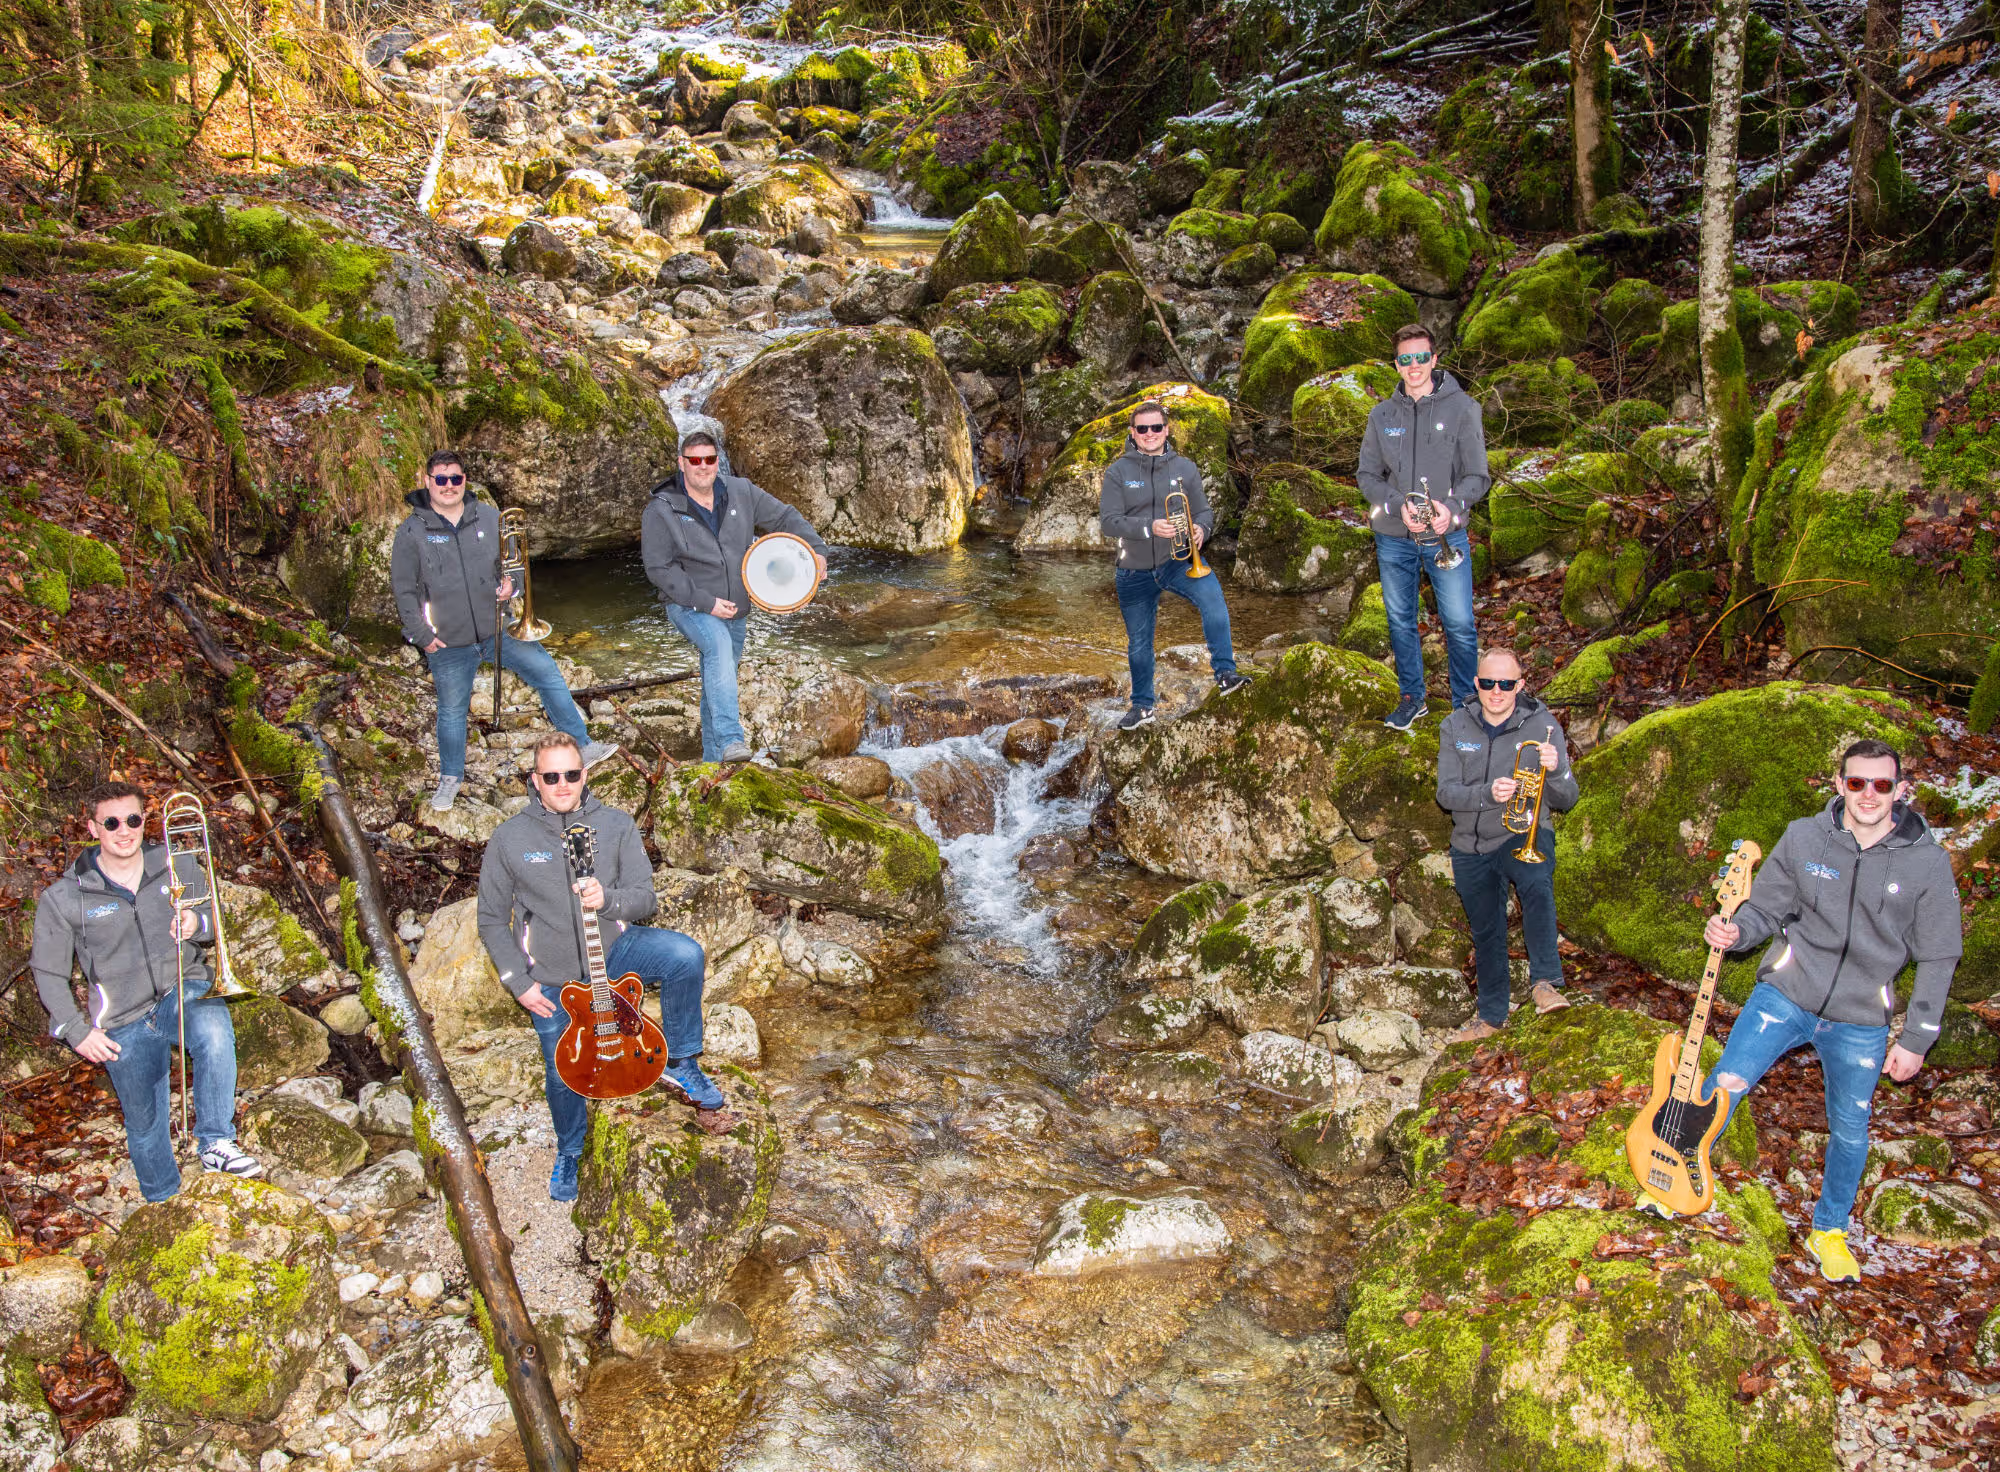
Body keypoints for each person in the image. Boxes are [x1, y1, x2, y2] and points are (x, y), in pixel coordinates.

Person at [1651, 739, 1963, 1283]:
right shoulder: (1803, 836)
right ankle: (1673, 1179)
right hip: (1786, 995)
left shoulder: (1927, 864)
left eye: (1882, 785)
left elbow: (1940, 954)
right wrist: (1736, 931)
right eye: (1857, 782)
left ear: (1900, 790)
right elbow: (1766, 908)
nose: (1869, 794)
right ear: (1839, 784)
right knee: (1724, 1085)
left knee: (1849, 1128)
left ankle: (1830, 1229)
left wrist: (1916, 1038)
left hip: (1862, 1018)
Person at [477, 732, 734, 1202]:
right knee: (562, 1071)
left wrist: (607, 899)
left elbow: (644, 898)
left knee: (684, 955)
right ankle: (572, 1149)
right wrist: (518, 981)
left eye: (570, 774)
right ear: (534, 779)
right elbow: (492, 918)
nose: (561, 784)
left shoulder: (615, 825)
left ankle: (681, 1058)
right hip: (551, 976)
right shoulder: (510, 838)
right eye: (550, 776)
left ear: (585, 774)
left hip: (612, 951)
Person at [29, 782, 262, 1201]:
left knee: (212, 1026)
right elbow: (47, 970)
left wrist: (197, 925)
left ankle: (215, 1142)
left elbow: (212, 920)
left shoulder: (176, 864)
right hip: (119, 1021)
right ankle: (163, 1203)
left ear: (144, 821)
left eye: (133, 820)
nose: (124, 830)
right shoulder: (65, 897)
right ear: (93, 827)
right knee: (144, 1121)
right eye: (112, 822)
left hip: (180, 987)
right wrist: (75, 1030)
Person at [391, 451, 616, 813]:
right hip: (447, 640)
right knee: (451, 709)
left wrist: (512, 587)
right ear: (427, 481)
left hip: (499, 628)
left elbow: (515, 566)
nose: (449, 486)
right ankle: (450, 777)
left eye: (456, 478)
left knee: (548, 674)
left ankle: (582, 743)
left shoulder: (489, 517)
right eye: (441, 479)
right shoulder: (412, 531)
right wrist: (421, 634)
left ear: (465, 480)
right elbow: (402, 589)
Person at [640, 432, 829, 763]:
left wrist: (816, 550)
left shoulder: (741, 491)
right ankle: (731, 739)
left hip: (738, 608)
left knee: (719, 674)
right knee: (718, 648)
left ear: (717, 461)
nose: (703, 466)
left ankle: (713, 764)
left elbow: (785, 516)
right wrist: (706, 602)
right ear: (682, 464)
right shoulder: (661, 509)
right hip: (689, 605)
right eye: (695, 460)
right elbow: (659, 568)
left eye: (709, 459)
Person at [1434, 648, 1579, 1043]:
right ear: (1476, 683)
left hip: (1523, 831)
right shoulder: (1454, 726)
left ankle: (1546, 983)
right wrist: (1486, 795)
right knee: (1486, 930)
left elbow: (1567, 799)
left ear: (1521, 685)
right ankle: (1491, 1016)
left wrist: (1557, 770)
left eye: (1506, 684)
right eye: (1488, 682)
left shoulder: (1543, 725)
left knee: (1535, 883)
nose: (1496, 691)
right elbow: (1445, 793)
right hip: (1469, 842)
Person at [1355, 324, 1489, 731]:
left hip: (1446, 535)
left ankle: (1465, 705)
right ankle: (1413, 698)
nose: (1414, 366)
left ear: (1434, 359)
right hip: (1394, 538)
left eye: (1421, 357)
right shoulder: (1381, 415)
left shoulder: (1463, 408)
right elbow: (1366, 476)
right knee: (1400, 621)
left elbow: (1478, 476)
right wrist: (1398, 505)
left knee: (1460, 624)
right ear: (1396, 365)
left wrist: (1450, 508)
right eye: (1405, 359)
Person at [1097, 399, 1251, 732]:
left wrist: (1202, 530)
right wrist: (1148, 526)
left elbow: (1205, 512)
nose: (1149, 434)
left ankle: (1225, 674)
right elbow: (1108, 523)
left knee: (1213, 600)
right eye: (1142, 429)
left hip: (1178, 560)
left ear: (1166, 430)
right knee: (1139, 642)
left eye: (1156, 427)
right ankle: (1142, 707)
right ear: (1133, 433)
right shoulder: (1118, 471)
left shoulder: (1185, 468)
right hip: (1133, 569)